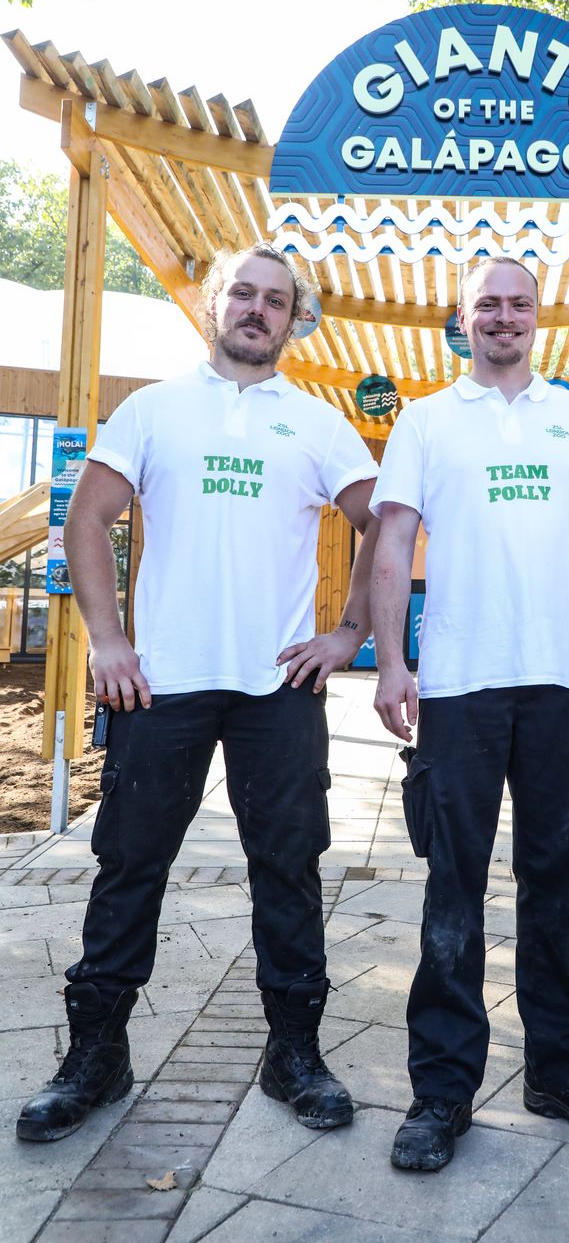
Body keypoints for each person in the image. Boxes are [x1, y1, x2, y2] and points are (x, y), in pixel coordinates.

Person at [17, 243, 380, 1143]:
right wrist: (108, 641)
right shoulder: (154, 410)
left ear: (295, 319)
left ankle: (294, 1054)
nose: (258, 309)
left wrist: (349, 632)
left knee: (288, 872)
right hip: (161, 684)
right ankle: (96, 1055)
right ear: (215, 305)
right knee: (129, 866)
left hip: (276, 686)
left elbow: (383, 524)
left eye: (276, 299)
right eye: (243, 294)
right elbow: (87, 518)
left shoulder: (319, 423)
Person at [370, 257, 569, 1172]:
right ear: (463, 318)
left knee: (561, 880)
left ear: (538, 317)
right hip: (459, 684)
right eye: (487, 304)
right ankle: (441, 1091)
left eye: (518, 304)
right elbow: (392, 542)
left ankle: (563, 1073)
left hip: (558, 683)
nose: (503, 317)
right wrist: (393, 661)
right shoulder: (425, 420)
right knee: (453, 887)